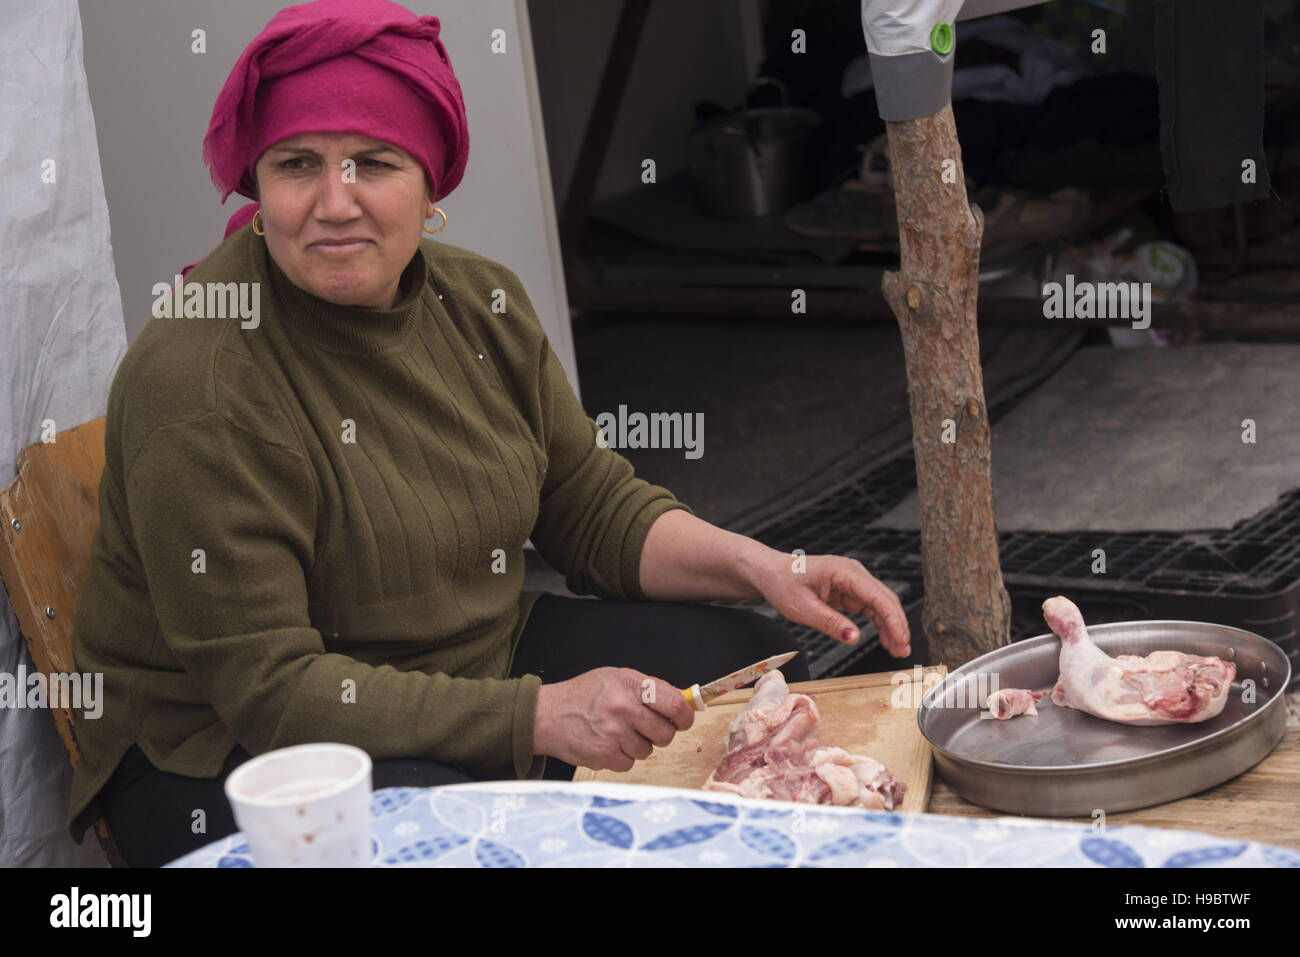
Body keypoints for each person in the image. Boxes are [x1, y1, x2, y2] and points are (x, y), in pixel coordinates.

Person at [68, 0, 911, 867]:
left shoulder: (479, 302)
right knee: (469, 842)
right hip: (225, 755)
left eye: (375, 162)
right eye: (297, 165)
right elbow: (271, 689)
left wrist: (764, 566)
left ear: (431, 182)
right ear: (258, 181)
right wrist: (541, 716)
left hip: (467, 659)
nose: (334, 202)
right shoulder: (201, 378)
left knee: (744, 668)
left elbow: (589, 506)